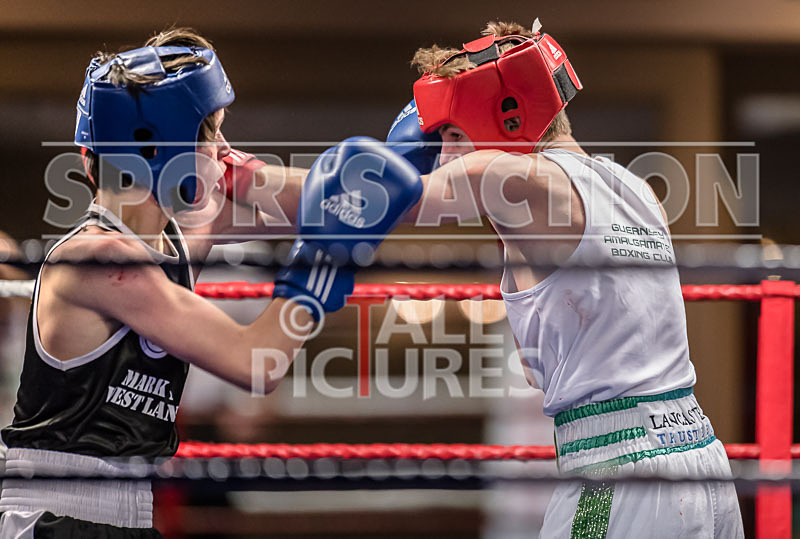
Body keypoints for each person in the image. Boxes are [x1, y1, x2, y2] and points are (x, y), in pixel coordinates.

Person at [0, 28, 421, 537]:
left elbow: (327, 201)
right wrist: (322, 263)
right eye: (212, 134)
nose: (224, 149)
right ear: (163, 145)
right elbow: (256, 362)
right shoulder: (99, 259)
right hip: (56, 516)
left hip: (125, 511)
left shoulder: (177, 235)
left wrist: (402, 166)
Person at [386, 19, 744, 539]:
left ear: (504, 119)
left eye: (454, 134)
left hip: (610, 474)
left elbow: (376, 203)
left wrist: (252, 177)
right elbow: (551, 362)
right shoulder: (638, 190)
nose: (444, 155)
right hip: (703, 461)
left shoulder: (507, 177)